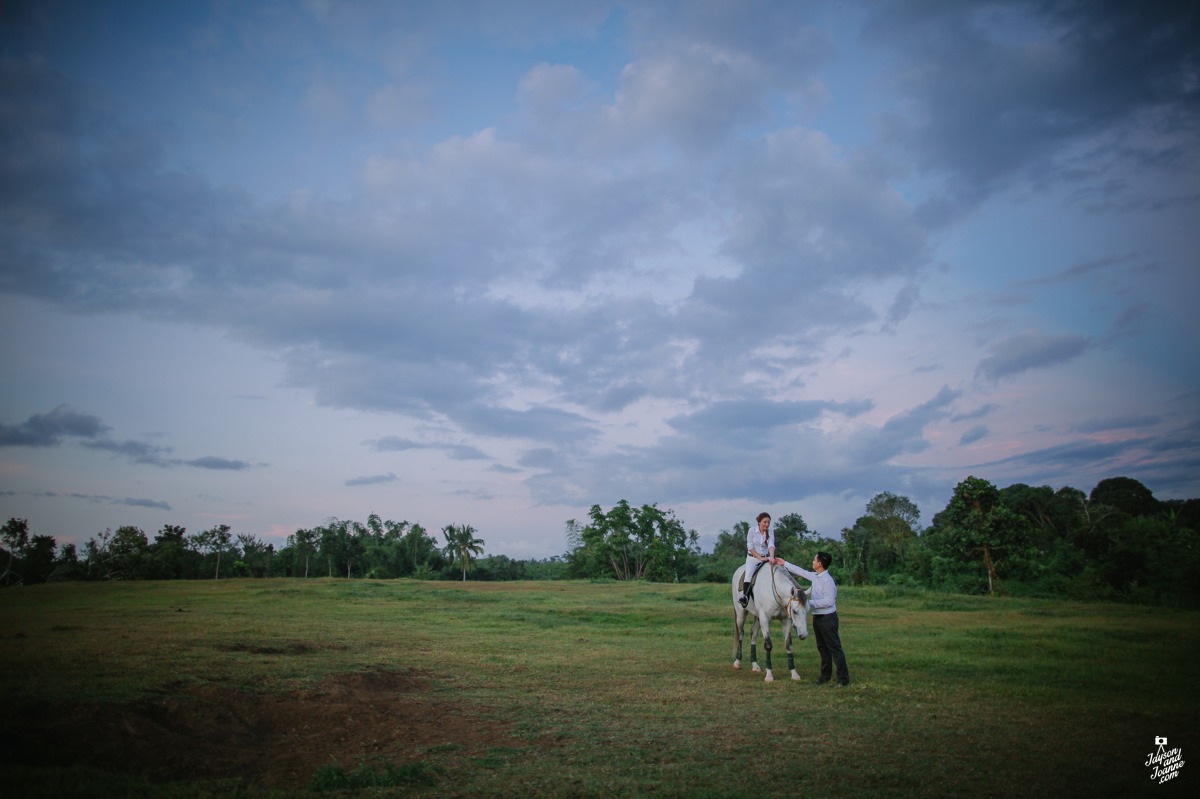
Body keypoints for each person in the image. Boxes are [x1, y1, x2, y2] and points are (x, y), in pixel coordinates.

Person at [781, 551, 850, 686]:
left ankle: (843, 679)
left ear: (819, 564)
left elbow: (829, 601)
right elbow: (801, 572)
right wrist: (784, 563)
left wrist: (808, 603)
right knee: (822, 648)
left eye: (814, 560)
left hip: (828, 618)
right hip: (818, 618)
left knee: (835, 648)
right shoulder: (816, 577)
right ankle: (825, 676)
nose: (812, 562)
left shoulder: (827, 581)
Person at [738, 512, 778, 607]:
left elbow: (771, 545)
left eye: (768, 522)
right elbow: (750, 547)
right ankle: (745, 597)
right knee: (748, 575)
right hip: (753, 558)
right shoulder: (751, 531)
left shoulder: (771, 532)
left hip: (766, 557)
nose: (767, 524)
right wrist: (760, 558)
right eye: (765, 522)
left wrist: (771, 557)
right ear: (759, 522)